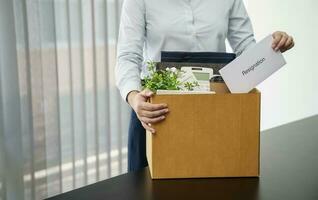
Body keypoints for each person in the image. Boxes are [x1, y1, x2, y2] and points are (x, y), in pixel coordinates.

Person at [115, 0, 295, 172]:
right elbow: (127, 56)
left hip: (212, 113)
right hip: (155, 111)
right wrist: (133, 97)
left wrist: (273, 47)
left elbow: (245, 48)